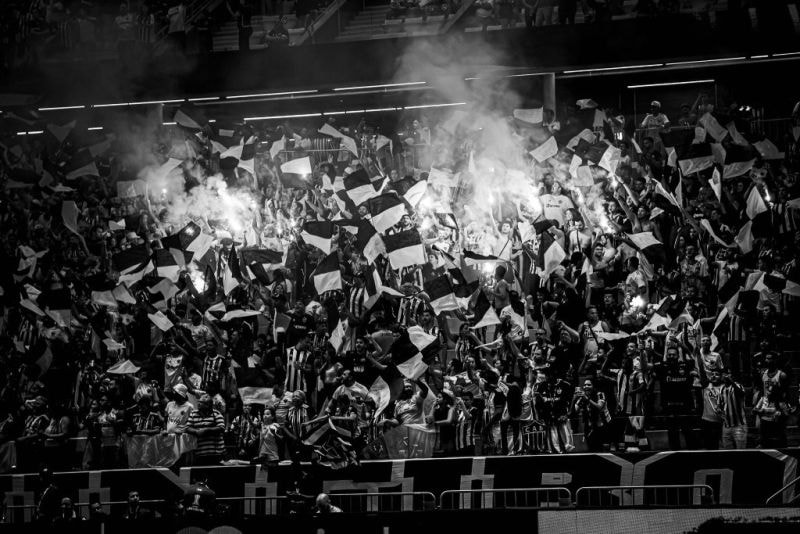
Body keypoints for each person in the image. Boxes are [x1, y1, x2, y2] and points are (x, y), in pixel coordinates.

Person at [186, 394, 226, 465]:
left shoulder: (216, 414)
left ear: (207, 405)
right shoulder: (193, 413)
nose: (198, 404)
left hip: (216, 454)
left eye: (201, 402)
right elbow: (187, 428)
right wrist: (196, 431)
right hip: (200, 452)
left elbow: (221, 428)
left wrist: (206, 430)